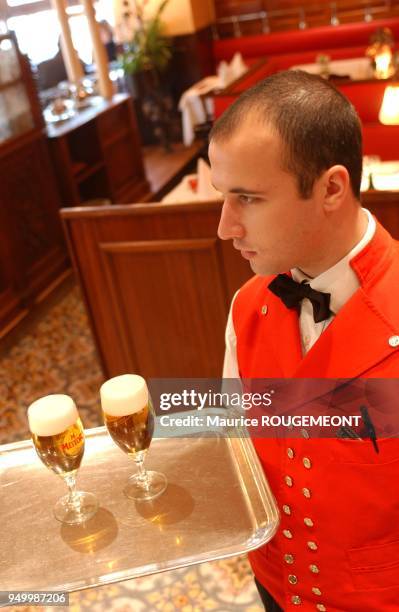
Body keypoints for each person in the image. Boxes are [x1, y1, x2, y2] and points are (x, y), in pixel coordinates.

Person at [209, 70, 399, 611]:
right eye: (225, 196)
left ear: (331, 188)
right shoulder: (247, 305)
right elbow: (236, 446)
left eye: (248, 198)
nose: (226, 227)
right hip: (274, 586)